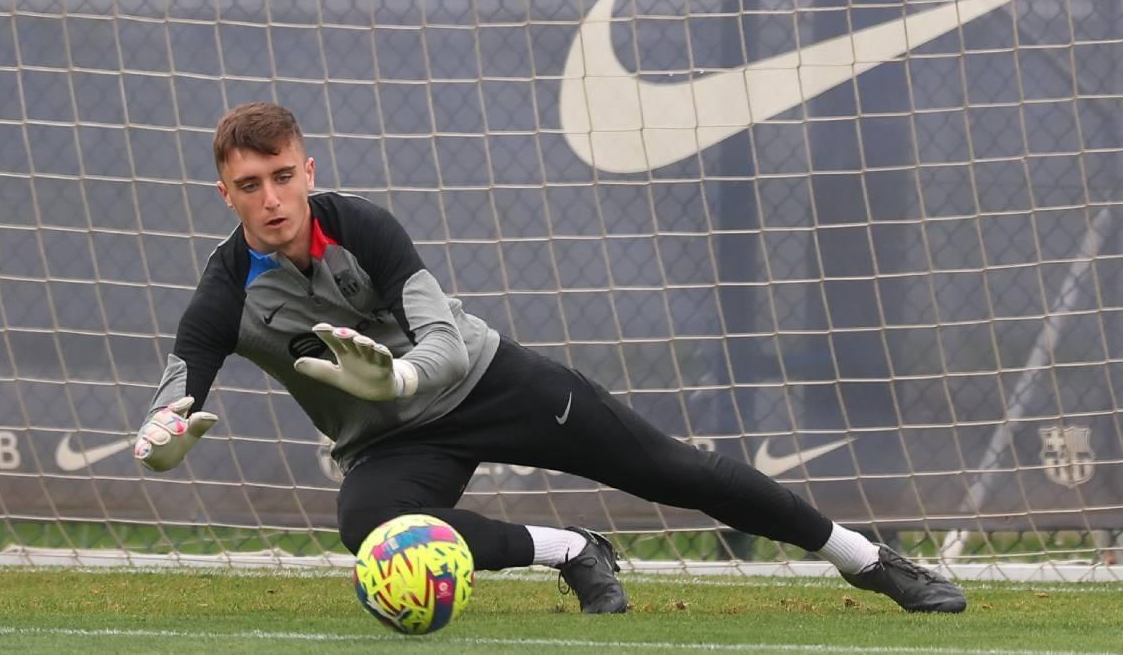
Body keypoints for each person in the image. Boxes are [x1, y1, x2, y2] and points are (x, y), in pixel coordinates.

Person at [134, 102, 967, 614]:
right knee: (371, 528)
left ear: (307, 168)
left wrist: (399, 376)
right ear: (226, 192)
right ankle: (573, 551)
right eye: (251, 185)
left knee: (675, 469)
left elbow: (445, 337)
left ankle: (866, 560)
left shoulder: (365, 227)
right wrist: (165, 437)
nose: (272, 197)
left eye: (283, 175)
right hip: (392, 445)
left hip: (488, 381)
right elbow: (178, 392)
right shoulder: (223, 294)